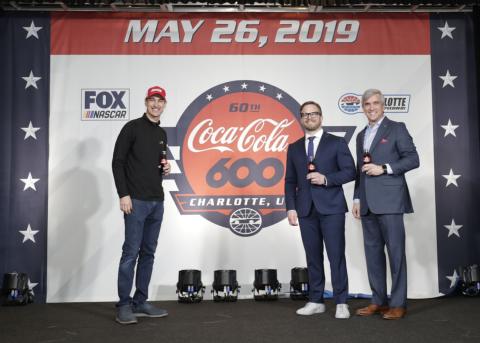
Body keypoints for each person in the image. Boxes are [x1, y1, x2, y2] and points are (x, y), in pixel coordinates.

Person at [352, 89, 419, 320]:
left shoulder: (397, 128)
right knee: (373, 255)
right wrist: (357, 198)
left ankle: (398, 303)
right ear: (363, 107)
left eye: (375, 103)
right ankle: (378, 301)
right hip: (368, 203)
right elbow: (359, 171)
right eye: (367, 104)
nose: (371, 107)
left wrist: (384, 168)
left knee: (396, 254)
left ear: (383, 106)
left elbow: (413, 159)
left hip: (390, 201)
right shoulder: (361, 135)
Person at [285, 101, 356, 319]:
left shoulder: (336, 142)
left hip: (332, 208)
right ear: (301, 118)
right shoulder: (294, 147)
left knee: (336, 256)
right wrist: (291, 207)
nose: (309, 117)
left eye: (313, 113)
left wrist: (326, 179)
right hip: (306, 209)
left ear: (321, 117)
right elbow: (289, 181)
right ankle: (316, 300)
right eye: (305, 114)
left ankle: (342, 302)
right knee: (313, 257)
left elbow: (350, 171)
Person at [112, 85, 171, 325]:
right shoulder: (132, 128)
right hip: (135, 201)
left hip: (157, 201)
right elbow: (117, 163)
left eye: (160, 101)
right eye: (152, 100)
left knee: (148, 253)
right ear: (146, 103)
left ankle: (140, 302)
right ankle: (124, 305)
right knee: (130, 253)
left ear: (164, 105)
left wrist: (164, 169)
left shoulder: (162, 134)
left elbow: (155, 165)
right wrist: (123, 194)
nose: (156, 104)